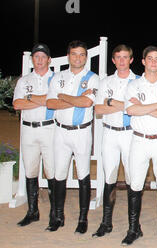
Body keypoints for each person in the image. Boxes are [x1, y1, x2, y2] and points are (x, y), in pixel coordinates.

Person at [122, 46, 157, 246]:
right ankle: (134, 229)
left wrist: (143, 108)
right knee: (135, 185)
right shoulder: (134, 85)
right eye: (150, 59)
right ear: (143, 61)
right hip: (139, 140)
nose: (153, 62)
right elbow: (131, 111)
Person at [46, 40, 99, 234]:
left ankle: (82, 219)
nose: (78, 58)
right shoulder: (58, 77)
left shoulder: (93, 78)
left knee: (83, 174)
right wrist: (73, 99)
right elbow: (50, 104)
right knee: (59, 174)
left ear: (86, 57)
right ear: (68, 56)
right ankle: (58, 216)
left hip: (81, 132)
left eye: (82, 54)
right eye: (74, 54)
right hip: (60, 131)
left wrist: (63, 96)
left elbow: (86, 102)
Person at [92, 44, 139, 238]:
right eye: (118, 57)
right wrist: (124, 106)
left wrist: (111, 102)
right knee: (109, 178)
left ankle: (133, 226)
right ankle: (106, 222)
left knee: (132, 180)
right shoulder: (106, 82)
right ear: (113, 60)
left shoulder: (138, 81)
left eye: (125, 57)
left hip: (130, 134)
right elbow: (98, 110)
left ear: (131, 60)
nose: (121, 61)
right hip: (110, 134)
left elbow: (137, 109)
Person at [13, 43, 56, 228]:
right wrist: (42, 100)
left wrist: (29, 98)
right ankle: (33, 211)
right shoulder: (24, 80)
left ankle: (55, 214)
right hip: (29, 129)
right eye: (36, 57)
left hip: (49, 129)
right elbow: (17, 104)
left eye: (43, 57)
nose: (39, 60)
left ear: (49, 59)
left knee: (52, 171)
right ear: (32, 59)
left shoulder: (55, 79)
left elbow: (54, 102)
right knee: (30, 171)